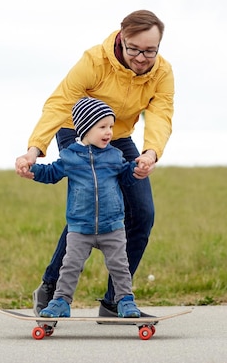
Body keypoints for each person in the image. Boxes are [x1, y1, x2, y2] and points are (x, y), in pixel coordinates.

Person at [15, 9, 174, 318]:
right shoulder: (94, 61)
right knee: (87, 207)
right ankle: (51, 289)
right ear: (122, 39)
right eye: (135, 50)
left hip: (119, 135)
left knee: (142, 212)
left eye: (150, 51)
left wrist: (150, 153)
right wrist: (35, 149)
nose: (142, 58)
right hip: (77, 132)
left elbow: (161, 112)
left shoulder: (162, 72)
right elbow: (60, 103)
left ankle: (117, 300)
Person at [31, 97, 141, 318]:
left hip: (112, 226)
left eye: (111, 126)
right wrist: (31, 170)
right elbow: (51, 173)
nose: (109, 132)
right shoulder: (71, 156)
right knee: (70, 266)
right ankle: (61, 301)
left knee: (120, 266)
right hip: (80, 227)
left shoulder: (114, 155)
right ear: (85, 129)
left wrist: (137, 170)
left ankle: (125, 301)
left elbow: (125, 177)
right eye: (102, 127)